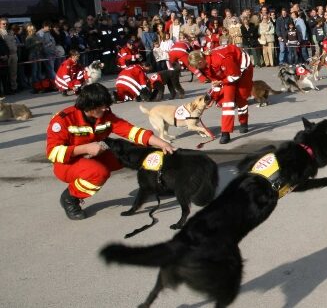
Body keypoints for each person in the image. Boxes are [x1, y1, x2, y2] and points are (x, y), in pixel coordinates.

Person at [46, 83, 174, 220]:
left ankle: (157, 184)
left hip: (95, 154)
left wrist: (163, 144)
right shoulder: (64, 119)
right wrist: (85, 148)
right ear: (89, 105)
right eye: (101, 106)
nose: (105, 109)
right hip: (67, 163)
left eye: (106, 105)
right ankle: (70, 197)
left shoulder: (104, 115)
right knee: (99, 173)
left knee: (139, 152)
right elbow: (53, 153)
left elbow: (131, 131)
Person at [187, 44, 253, 144]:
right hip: (228, 72)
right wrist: (212, 97)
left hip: (242, 68)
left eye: (197, 66)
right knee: (227, 102)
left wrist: (222, 82)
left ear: (200, 62)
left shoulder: (221, 59)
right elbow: (216, 82)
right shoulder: (204, 66)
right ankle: (225, 132)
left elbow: (235, 75)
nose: (197, 69)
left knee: (241, 96)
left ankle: (243, 122)